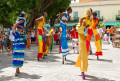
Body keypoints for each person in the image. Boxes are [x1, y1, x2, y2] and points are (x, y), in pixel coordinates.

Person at [75, 8, 92, 80]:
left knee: (84, 55)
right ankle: (82, 72)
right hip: (81, 38)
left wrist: (86, 25)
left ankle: (82, 69)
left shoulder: (88, 20)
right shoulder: (83, 20)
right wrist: (82, 23)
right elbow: (80, 22)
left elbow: (87, 26)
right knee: (83, 55)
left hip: (84, 38)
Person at [12, 11, 27, 76]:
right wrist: (15, 30)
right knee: (18, 51)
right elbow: (15, 24)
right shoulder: (23, 19)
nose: (27, 15)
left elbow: (16, 25)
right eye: (26, 14)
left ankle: (17, 69)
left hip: (17, 34)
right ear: (24, 15)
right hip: (17, 33)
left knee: (19, 51)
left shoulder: (22, 20)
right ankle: (16, 70)